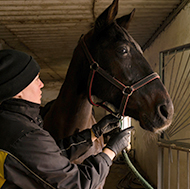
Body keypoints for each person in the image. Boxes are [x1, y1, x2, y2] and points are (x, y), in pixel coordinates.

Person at [0, 49, 132, 189]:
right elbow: (78, 184)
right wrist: (111, 150)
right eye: (36, 79)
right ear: (18, 89)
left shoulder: (9, 124)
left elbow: (48, 158)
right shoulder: (25, 136)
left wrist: (93, 133)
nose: (41, 84)